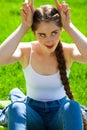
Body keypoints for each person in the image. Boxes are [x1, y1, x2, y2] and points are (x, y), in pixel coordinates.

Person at [1, 0, 87, 130]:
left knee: (73, 106)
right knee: (16, 107)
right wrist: (23, 27)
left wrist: (69, 26)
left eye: (54, 32)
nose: (49, 40)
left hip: (59, 115)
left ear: (61, 30)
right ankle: (17, 97)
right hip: (33, 113)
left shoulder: (67, 51)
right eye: (42, 35)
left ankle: (16, 94)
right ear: (34, 33)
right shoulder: (27, 51)